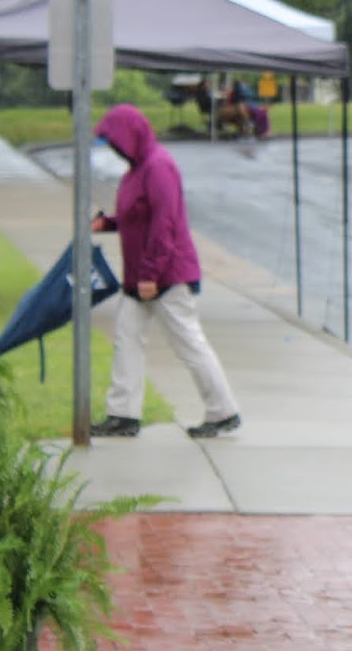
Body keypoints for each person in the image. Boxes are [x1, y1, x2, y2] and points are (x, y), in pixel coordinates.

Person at [89, 103, 243, 440]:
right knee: (126, 340)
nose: (114, 148)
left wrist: (150, 274)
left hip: (166, 276)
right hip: (141, 278)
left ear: (131, 136)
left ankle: (224, 411)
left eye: (115, 140)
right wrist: (110, 223)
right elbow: (137, 215)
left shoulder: (159, 167)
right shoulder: (136, 169)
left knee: (189, 343)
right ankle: (122, 414)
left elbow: (165, 222)